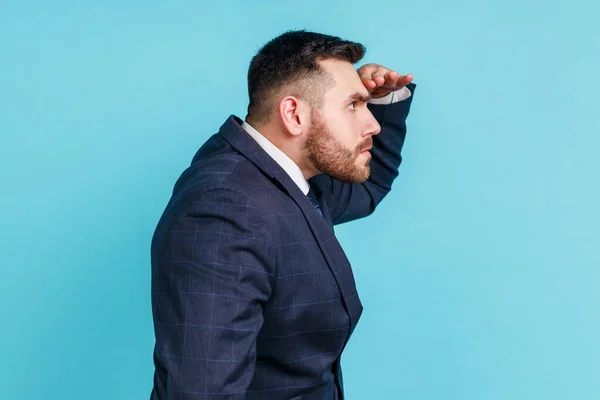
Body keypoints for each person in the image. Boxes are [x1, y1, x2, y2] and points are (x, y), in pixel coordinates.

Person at [150, 29, 416, 400]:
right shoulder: (225, 208)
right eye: (353, 105)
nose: (370, 123)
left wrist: (385, 98)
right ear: (293, 114)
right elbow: (203, 392)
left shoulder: (291, 178)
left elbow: (367, 186)